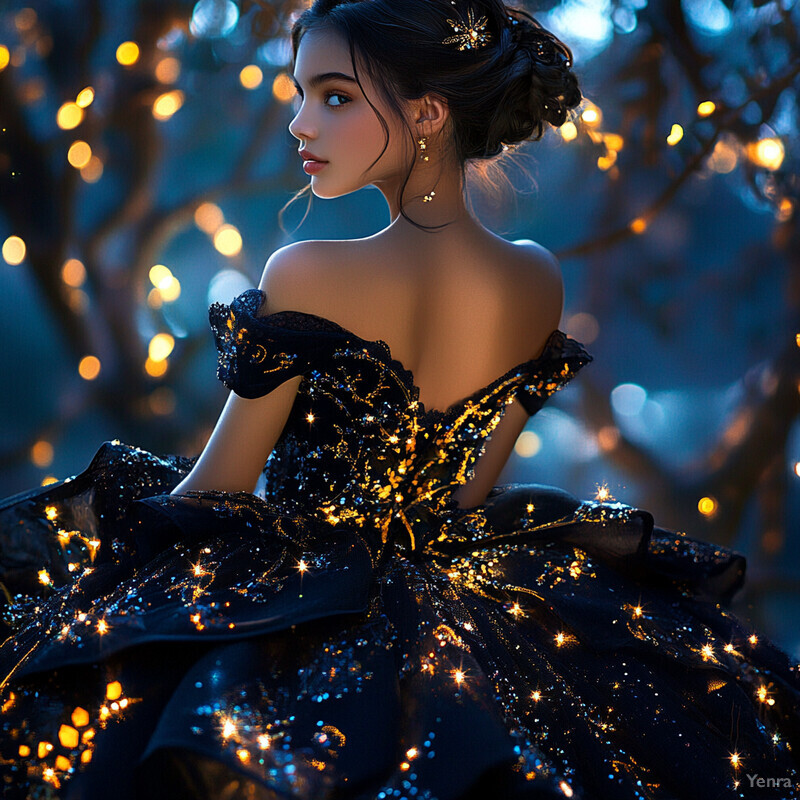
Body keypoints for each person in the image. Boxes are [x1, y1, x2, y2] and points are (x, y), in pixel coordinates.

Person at [0, 0, 798, 797]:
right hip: (476, 617)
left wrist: (96, 555)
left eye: (335, 96)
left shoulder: (305, 273)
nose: (300, 123)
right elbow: (466, 497)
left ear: (427, 112)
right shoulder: (536, 279)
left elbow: (218, 488)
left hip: (307, 615)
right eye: (302, 93)